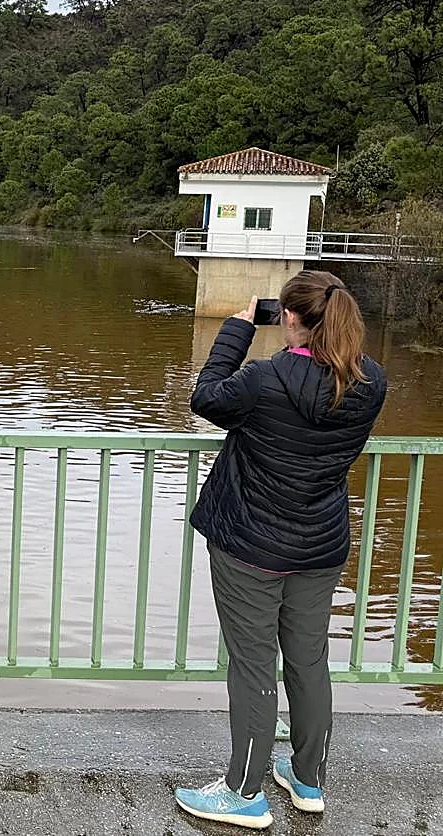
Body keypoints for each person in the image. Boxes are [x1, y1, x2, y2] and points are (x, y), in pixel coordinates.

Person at [173, 270, 387, 829]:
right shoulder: (372, 382)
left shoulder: (263, 381)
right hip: (319, 545)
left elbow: (205, 397)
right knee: (309, 661)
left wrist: (236, 333)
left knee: (252, 667)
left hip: (251, 546)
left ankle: (244, 792)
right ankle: (308, 779)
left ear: (289, 318)